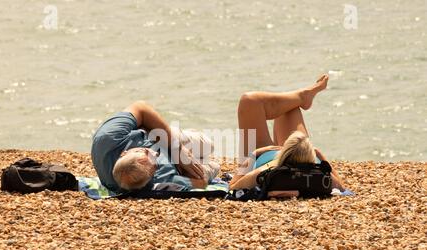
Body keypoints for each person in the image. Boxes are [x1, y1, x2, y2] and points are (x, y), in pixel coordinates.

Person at [229, 74, 345, 195]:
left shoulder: (264, 170)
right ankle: (302, 96)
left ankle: (301, 96)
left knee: (249, 101)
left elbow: (233, 187)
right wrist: (318, 154)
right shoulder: (320, 174)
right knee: (289, 108)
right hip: (302, 154)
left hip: (266, 154)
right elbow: (341, 187)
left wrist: (255, 154)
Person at [91, 101, 219, 192]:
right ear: (151, 176)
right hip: (175, 168)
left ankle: (182, 134)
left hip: (161, 137)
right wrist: (185, 171)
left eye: (144, 152)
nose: (155, 154)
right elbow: (200, 184)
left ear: (124, 153)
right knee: (214, 166)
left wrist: (177, 149)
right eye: (155, 165)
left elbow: (141, 108)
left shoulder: (107, 138)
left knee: (209, 145)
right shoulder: (160, 181)